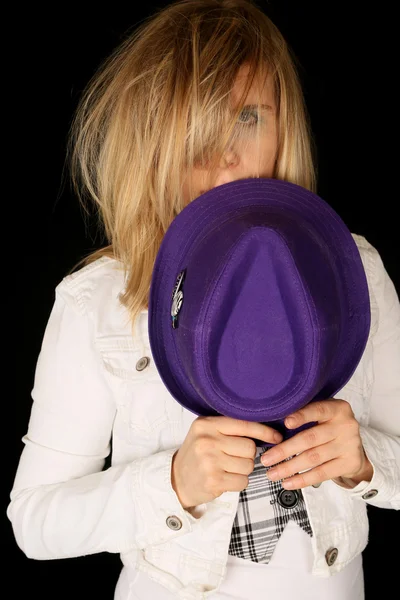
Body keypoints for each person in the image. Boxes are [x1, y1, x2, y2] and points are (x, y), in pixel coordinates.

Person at [7, 1, 399, 599]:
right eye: (197, 129)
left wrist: (367, 461)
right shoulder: (99, 301)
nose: (226, 158)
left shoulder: (356, 272)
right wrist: (170, 484)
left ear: (282, 124)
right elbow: (34, 521)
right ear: (155, 141)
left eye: (247, 116)